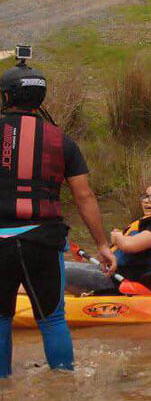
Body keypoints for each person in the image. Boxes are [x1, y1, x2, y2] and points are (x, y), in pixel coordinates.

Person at [0, 59, 114, 378]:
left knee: (0, 319)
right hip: (43, 242)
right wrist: (103, 245)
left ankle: (4, 392)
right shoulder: (62, 141)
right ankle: (65, 385)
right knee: (51, 319)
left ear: (6, 97)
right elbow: (84, 196)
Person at [66, 181, 151, 295]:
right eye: (145, 196)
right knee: (60, 265)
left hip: (120, 283)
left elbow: (129, 246)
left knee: (56, 272)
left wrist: (117, 237)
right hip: (114, 276)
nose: (146, 201)